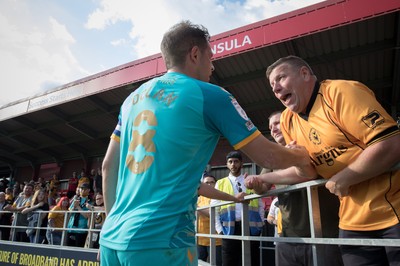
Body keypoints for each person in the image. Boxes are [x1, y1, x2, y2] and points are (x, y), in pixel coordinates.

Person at [99, 21, 312, 266]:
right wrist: (301, 155)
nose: (212, 66)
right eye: (210, 57)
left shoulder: (130, 100)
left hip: (111, 238)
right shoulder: (210, 94)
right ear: (195, 54)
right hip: (160, 241)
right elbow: (267, 157)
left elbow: (107, 167)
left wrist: (108, 227)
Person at [252, 55, 400, 265]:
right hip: (351, 221)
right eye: (272, 86)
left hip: (393, 210)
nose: (276, 88)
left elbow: (391, 143)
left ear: (304, 73)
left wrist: (345, 177)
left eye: (281, 78)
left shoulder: (340, 92)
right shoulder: (288, 120)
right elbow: (309, 172)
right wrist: (266, 180)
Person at [248, 110, 343, 266]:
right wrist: (255, 185)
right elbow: (262, 188)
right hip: (288, 234)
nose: (273, 128)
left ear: (290, 124)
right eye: (270, 126)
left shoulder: (311, 145)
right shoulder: (273, 159)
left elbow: (304, 174)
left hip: (325, 232)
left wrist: (261, 178)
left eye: (277, 123)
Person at [212, 151, 264, 266]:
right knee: (229, 261)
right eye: (230, 162)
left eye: (236, 161)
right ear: (227, 164)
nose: (233, 164)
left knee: (252, 260)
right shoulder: (220, 183)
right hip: (229, 229)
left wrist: (260, 225)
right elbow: (214, 207)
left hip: (251, 228)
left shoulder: (250, 180)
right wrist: (219, 230)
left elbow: (260, 204)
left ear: (241, 163)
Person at [197, 174, 223, 266]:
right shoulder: (198, 199)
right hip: (200, 238)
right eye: (206, 183)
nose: (209, 185)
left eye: (212, 182)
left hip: (215, 239)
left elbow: (211, 214)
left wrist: (196, 208)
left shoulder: (218, 198)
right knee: (199, 263)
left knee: (215, 263)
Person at [66, 182, 91, 247]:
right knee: (67, 251)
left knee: (78, 251)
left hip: (81, 230)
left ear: (88, 190)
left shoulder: (90, 201)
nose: (82, 190)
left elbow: (87, 216)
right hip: (71, 229)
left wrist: (78, 207)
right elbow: (69, 213)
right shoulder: (76, 199)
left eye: (84, 189)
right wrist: (74, 207)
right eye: (81, 188)